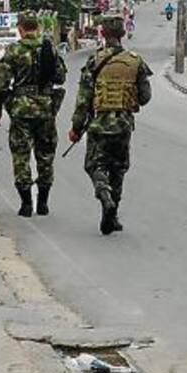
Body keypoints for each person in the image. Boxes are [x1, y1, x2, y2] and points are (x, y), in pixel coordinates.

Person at [68, 16, 152, 235]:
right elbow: (145, 97)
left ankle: (103, 194)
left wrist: (76, 128)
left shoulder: (94, 61)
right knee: (118, 168)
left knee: (94, 165)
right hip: (124, 124)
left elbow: (83, 99)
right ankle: (112, 216)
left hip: (99, 123)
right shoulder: (136, 61)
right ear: (122, 34)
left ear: (103, 34)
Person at [0, 13, 67, 218]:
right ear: (38, 27)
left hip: (21, 110)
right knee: (45, 155)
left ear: (21, 28)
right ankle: (43, 202)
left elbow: (2, 85)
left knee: (21, 155)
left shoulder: (14, 50)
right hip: (46, 108)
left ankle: (26, 203)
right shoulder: (49, 48)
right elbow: (61, 77)